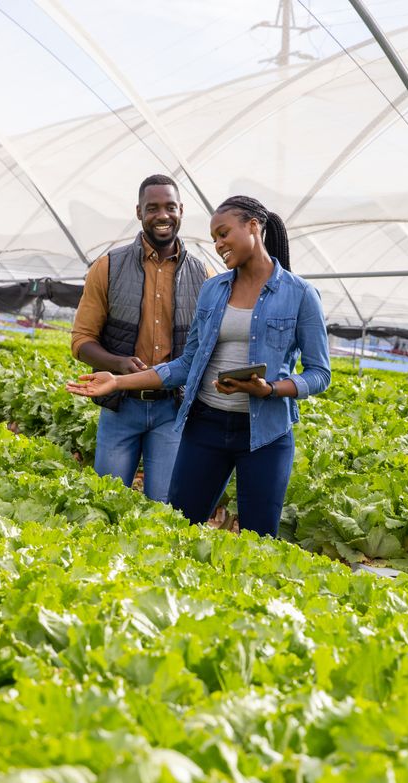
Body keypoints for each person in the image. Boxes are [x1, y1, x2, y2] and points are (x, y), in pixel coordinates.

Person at [67, 195, 331, 538]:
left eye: (224, 234)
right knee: (180, 528)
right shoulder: (213, 290)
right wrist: (117, 382)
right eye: (214, 239)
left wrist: (270, 389)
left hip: (266, 432)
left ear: (253, 226)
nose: (219, 245)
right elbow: (187, 364)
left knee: (259, 537)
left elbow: (319, 374)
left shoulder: (301, 294)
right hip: (206, 426)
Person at [71, 173, 214, 502]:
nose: (162, 216)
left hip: (171, 410)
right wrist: (117, 364)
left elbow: (207, 350)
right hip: (120, 408)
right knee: (107, 503)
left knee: (162, 508)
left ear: (181, 210)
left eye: (170, 207)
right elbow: (81, 341)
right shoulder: (107, 267)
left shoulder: (204, 276)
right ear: (139, 212)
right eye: (152, 208)